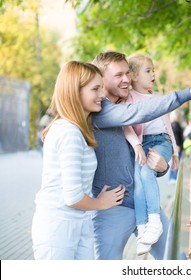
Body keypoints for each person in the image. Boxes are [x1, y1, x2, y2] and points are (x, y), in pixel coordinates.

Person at [90, 51, 191, 260]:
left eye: (128, 73)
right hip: (113, 209)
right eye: (119, 75)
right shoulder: (101, 110)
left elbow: (145, 153)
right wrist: (190, 92)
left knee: (176, 260)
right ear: (101, 77)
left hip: (143, 203)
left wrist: (162, 167)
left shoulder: (129, 102)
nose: (126, 79)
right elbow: (141, 112)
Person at [31, 61, 126, 260]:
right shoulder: (69, 132)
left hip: (78, 223)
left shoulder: (78, 130)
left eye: (102, 87)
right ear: (75, 91)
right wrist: (100, 203)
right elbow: (72, 197)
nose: (102, 94)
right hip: (58, 229)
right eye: (95, 89)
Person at [122, 53, 180, 255]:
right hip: (144, 143)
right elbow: (126, 126)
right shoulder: (129, 99)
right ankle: (143, 228)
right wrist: (137, 144)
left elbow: (167, 125)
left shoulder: (158, 99)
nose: (153, 74)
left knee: (146, 173)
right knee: (139, 180)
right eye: (148, 70)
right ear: (134, 76)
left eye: (153, 70)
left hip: (160, 140)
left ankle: (154, 220)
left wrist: (174, 150)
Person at [169, 115, 184, 182]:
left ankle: (173, 177)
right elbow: (175, 135)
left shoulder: (175, 124)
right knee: (175, 161)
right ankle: (173, 177)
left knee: (175, 162)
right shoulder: (175, 124)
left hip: (177, 146)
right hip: (177, 146)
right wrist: (177, 145)